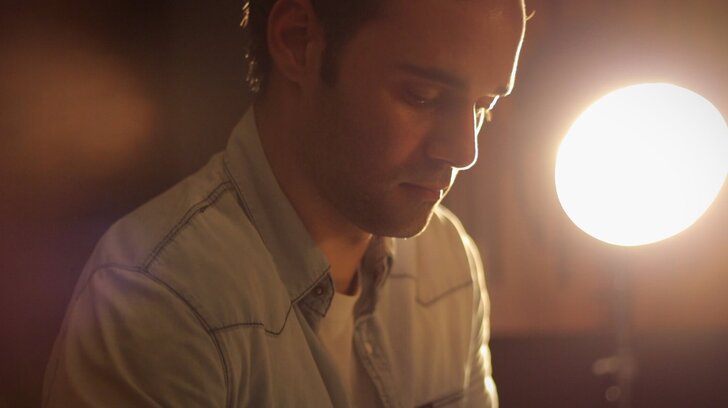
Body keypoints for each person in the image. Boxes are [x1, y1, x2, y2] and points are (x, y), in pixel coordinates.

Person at [43, 0, 526, 406]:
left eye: (483, 107)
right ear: (298, 41)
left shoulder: (448, 263)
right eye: (422, 96)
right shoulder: (159, 301)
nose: (465, 152)